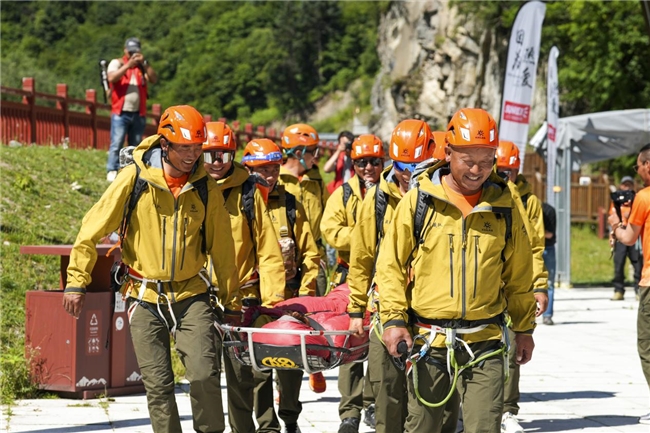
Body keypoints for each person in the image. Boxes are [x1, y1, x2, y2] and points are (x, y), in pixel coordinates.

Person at [63, 105, 238, 433]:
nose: (192, 155)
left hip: (192, 295)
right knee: (158, 385)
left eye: (197, 147)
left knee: (204, 376)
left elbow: (223, 249)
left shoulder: (205, 187)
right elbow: (91, 229)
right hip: (144, 296)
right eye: (184, 148)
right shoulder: (134, 178)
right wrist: (76, 281)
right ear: (165, 144)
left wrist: (231, 302)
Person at [377, 108, 536, 433]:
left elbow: (519, 274)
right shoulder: (420, 201)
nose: (477, 169)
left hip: (485, 342)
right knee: (423, 427)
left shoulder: (504, 205)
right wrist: (393, 320)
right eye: (468, 160)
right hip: (429, 342)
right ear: (448, 153)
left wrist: (524, 328)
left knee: (484, 427)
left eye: (486, 160)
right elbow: (390, 265)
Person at [347, 120, 445, 433]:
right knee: (387, 391)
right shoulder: (377, 199)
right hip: (386, 309)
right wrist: (355, 309)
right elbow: (362, 257)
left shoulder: (443, 196)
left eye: (417, 165)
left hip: (430, 311)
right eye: (402, 165)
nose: (408, 173)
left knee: (431, 399)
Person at [201, 122, 288, 433]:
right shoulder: (189, 190)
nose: (217, 161)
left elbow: (268, 251)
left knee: (241, 376)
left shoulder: (248, 192)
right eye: (209, 155)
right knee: (203, 374)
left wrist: (273, 304)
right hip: (198, 297)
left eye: (224, 155)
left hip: (242, 298)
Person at [242, 138, 321, 433]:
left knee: (291, 364)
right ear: (248, 169)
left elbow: (310, 253)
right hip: (252, 300)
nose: (270, 175)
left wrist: (306, 296)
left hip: (288, 299)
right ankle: (267, 426)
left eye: (274, 168)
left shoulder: (290, 204)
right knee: (258, 368)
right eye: (263, 169)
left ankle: (290, 418)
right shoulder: (238, 203)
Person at [321, 134, 385, 433]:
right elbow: (331, 231)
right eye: (362, 163)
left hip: (384, 277)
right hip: (351, 275)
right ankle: (350, 412)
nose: (368, 168)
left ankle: (372, 402)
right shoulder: (343, 194)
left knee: (379, 343)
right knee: (350, 341)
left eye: (374, 162)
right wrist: (365, 234)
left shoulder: (393, 191)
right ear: (353, 164)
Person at [496, 140, 549, 433]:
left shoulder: (528, 202)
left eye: (510, 171)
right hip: (487, 284)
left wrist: (539, 286)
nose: (506, 176)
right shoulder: (484, 193)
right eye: (500, 171)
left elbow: (535, 247)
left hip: (516, 285)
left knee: (513, 347)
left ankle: (508, 410)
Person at [607, 142, 650, 425]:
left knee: (647, 345)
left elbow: (628, 237)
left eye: (638, 166)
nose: (638, 171)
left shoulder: (644, 198)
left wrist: (614, 222)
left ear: (648, 165)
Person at [278, 123, 330, 297]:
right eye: (313, 151)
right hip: (285, 258)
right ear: (299, 153)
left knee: (317, 307)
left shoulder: (315, 180)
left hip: (314, 257)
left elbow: (329, 213)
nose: (316, 156)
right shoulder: (276, 180)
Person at [106, 37, 157, 182]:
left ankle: (132, 171)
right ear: (125, 50)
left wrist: (145, 64)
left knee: (135, 145)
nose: (132, 54)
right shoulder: (117, 63)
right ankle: (112, 169)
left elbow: (154, 79)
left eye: (135, 51)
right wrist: (128, 65)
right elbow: (112, 78)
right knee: (117, 142)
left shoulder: (142, 67)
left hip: (138, 112)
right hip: (120, 111)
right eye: (130, 51)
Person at [609, 176, 642, 301]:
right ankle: (618, 290)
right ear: (621, 186)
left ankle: (638, 290)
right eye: (625, 184)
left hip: (634, 234)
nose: (627, 187)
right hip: (620, 235)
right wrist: (612, 236)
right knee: (619, 263)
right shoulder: (616, 201)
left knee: (638, 264)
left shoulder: (637, 200)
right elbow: (612, 219)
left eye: (629, 184)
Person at [542, 202, 557, 326]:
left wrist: (534, 229)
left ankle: (547, 315)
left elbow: (550, 234)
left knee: (549, 283)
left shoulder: (549, 210)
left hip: (547, 249)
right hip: (530, 248)